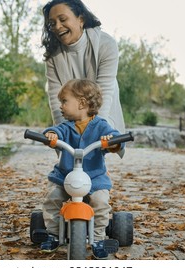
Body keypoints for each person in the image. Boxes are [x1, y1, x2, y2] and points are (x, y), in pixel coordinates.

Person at [38, 79, 124, 259]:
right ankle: (53, 234)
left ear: (82, 103)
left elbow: (114, 137)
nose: (60, 106)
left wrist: (112, 142)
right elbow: (56, 131)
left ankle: (99, 239)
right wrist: (51, 135)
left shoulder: (100, 126)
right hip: (64, 176)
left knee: (100, 201)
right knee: (53, 197)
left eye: (64, 101)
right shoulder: (66, 126)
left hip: (94, 177)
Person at [41, 0, 126, 154]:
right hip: (71, 110)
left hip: (101, 106)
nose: (57, 26)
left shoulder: (106, 45)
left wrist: (96, 134)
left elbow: (104, 92)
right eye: (52, 23)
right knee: (69, 162)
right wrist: (62, 139)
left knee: (98, 152)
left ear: (81, 19)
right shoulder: (53, 55)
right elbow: (55, 98)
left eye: (62, 19)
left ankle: (99, 169)